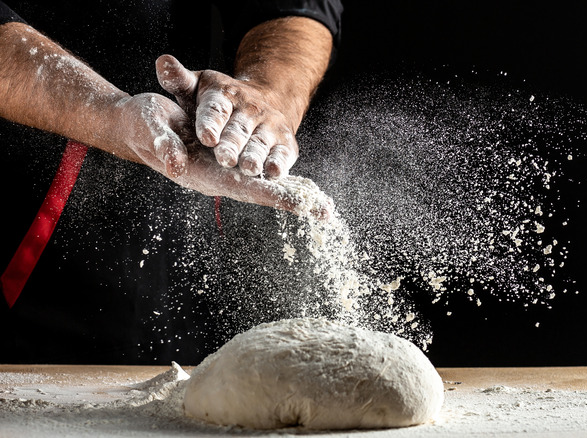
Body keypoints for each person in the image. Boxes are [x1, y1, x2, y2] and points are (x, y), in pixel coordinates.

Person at [0, 1, 342, 364]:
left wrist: (265, 95)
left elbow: (293, 8)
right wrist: (112, 115)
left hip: (189, 230)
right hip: (28, 254)